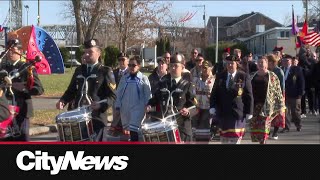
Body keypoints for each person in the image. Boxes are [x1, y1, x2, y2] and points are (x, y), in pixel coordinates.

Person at [56, 39, 116, 141]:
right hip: (78, 118)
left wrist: (101, 105)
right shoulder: (79, 70)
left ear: (98, 53)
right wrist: (63, 100)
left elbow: (113, 96)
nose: (86, 54)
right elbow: (71, 90)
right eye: (85, 52)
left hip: (96, 118)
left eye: (90, 52)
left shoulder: (105, 71)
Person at [147, 53, 196, 142]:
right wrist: (149, 105)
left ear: (182, 67)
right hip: (166, 127)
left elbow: (194, 106)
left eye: (176, 66)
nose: (173, 68)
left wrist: (188, 111)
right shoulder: (163, 82)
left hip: (182, 128)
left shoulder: (188, 84)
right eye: (171, 66)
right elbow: (156, 98)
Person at [3, 40, 44, 141]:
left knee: (20, 140)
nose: (9, 52)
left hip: (21, 110)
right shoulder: (2, 67)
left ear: (20, 52)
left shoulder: (27, 67)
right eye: (8, 50)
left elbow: (39, 89)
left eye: (13, 50)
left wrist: (23, 88)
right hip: (4, 111)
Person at [209, 55, 253, 144]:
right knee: (224, 139)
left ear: (236, 64)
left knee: (235, 139)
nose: (230, 66)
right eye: (228, 64)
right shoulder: (220, 76)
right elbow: (214, 93)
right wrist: (212, 106)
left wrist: (249, 111)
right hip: (223, 113)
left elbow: (248, 95)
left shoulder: (243, 76)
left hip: (237, 113)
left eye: (232, 63)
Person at [115, 56, 152, 141]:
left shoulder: (143, 78)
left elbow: (148, 93)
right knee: (127, 131)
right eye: (130, 65)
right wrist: (118, 105)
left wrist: (148, 104)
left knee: (134, 130)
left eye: (133, 65)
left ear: (138, 66)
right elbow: (119, 92)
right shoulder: (124, 78)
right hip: (125, 108)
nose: (131, 67)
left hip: (138, 108)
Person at [249, 56, 285, 144]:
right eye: (259, 62)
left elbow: (278, 91)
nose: (261, 64)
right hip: (254, 105)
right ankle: (260, 141)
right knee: (255, 127)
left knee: (264, 127)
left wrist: (281, 106)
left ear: (267, 64)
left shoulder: (272, 76)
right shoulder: (252, 76)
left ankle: (263, 142)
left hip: (267, 106)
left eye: (263, 62)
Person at [192, 60, 215, 142]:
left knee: (204, 136)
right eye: (202, 68)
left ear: (210, 68)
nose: (204, 70)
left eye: (206, 68)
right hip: (196, 110)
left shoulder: (214, 80)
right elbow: (192, 93)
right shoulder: (196, 79)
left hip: (208, 110)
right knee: (194, 135)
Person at [280, 54, 305, 133]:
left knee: (295, 111)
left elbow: (301, 81)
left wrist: (300, 93)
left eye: (287, 60)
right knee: (285, 111)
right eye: (284, 60)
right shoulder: (281, 69)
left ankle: (298, 125)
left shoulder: (297, 69)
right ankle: (286, 127)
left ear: (291, 61)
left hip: (295, 94)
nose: (285, 62)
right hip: (284, 94)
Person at [108, 52, 129, 137]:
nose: (121, 61)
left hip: (127, 101)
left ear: (127, 60)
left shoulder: (131, 72)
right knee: (115, 121)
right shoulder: (113, 73)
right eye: (120, 60)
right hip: (116, 101)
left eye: (123, 59)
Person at [267, 54, 285, 140]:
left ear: (273, 62)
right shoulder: (267, 70)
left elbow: (282, 86)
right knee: (268, 115)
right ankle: (268, 131)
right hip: (268, 96)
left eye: (268, 61)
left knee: (277, 115)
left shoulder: (279, 71)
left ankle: (275, 133)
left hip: (277, 96)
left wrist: (280, 97)